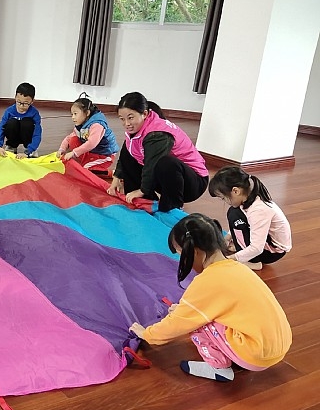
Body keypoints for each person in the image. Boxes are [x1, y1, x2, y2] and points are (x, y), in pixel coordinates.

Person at [129, 213, 292, 383]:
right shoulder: (238, 267)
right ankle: (236, 353)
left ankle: (219, 367)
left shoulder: (206, 282)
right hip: (278, 346)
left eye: (180, 254)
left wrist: (147, 334)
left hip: (256, 355)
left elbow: (178, 323)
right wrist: (185, 310)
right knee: (197, 313)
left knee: (197, 321)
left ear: (194, 252)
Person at [107, 92, 208, 212]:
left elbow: (152, 164)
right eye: (122, 119)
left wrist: (142, 190)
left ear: (144, 114)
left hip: (192, 183)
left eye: (130, 118)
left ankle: (172, 207)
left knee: (166, 162)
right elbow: (126, 152)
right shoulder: (137, 129)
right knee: (131, 150)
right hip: (168, 178)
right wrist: (117, 178)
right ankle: (144, 202)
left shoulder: (157, 134)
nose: (126, 124)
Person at [208, 166, 291, 271]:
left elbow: (257, 248)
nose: (225, 201)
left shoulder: (258, 210)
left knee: (234, 215)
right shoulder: (249, 198)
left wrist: (230, 259)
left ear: (235, 191)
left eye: (223, 198)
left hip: (272, 252)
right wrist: (227, 238)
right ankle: (242, 250)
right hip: (267, 244)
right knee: (234, 212)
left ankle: (253, 262)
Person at [56, 93, 119, 174]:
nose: (73, 117)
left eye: (75, 114)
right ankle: (86, 161)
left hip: (105, 154)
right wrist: (62, 149)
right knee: (73, 140)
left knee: (86, 170)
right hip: (93, 152)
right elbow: (68, 138)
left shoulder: (97, 125)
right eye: (72, 114)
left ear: (87, 113)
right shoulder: (80, 125)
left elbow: (92, 143)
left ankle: (112, 173)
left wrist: (74, 153)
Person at [0, 82, 41, 159]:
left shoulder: (34, 113)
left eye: (25, 103)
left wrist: (29, 151)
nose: (21, 106)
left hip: (27, 136)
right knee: (11, 122)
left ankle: (30, 150)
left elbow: (37, 133)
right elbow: (1, 128)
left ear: (32, 101)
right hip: (13, 135)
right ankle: (11, 146)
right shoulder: (9, 111)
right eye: (19, 102)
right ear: (15, 97)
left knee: (27, 123)